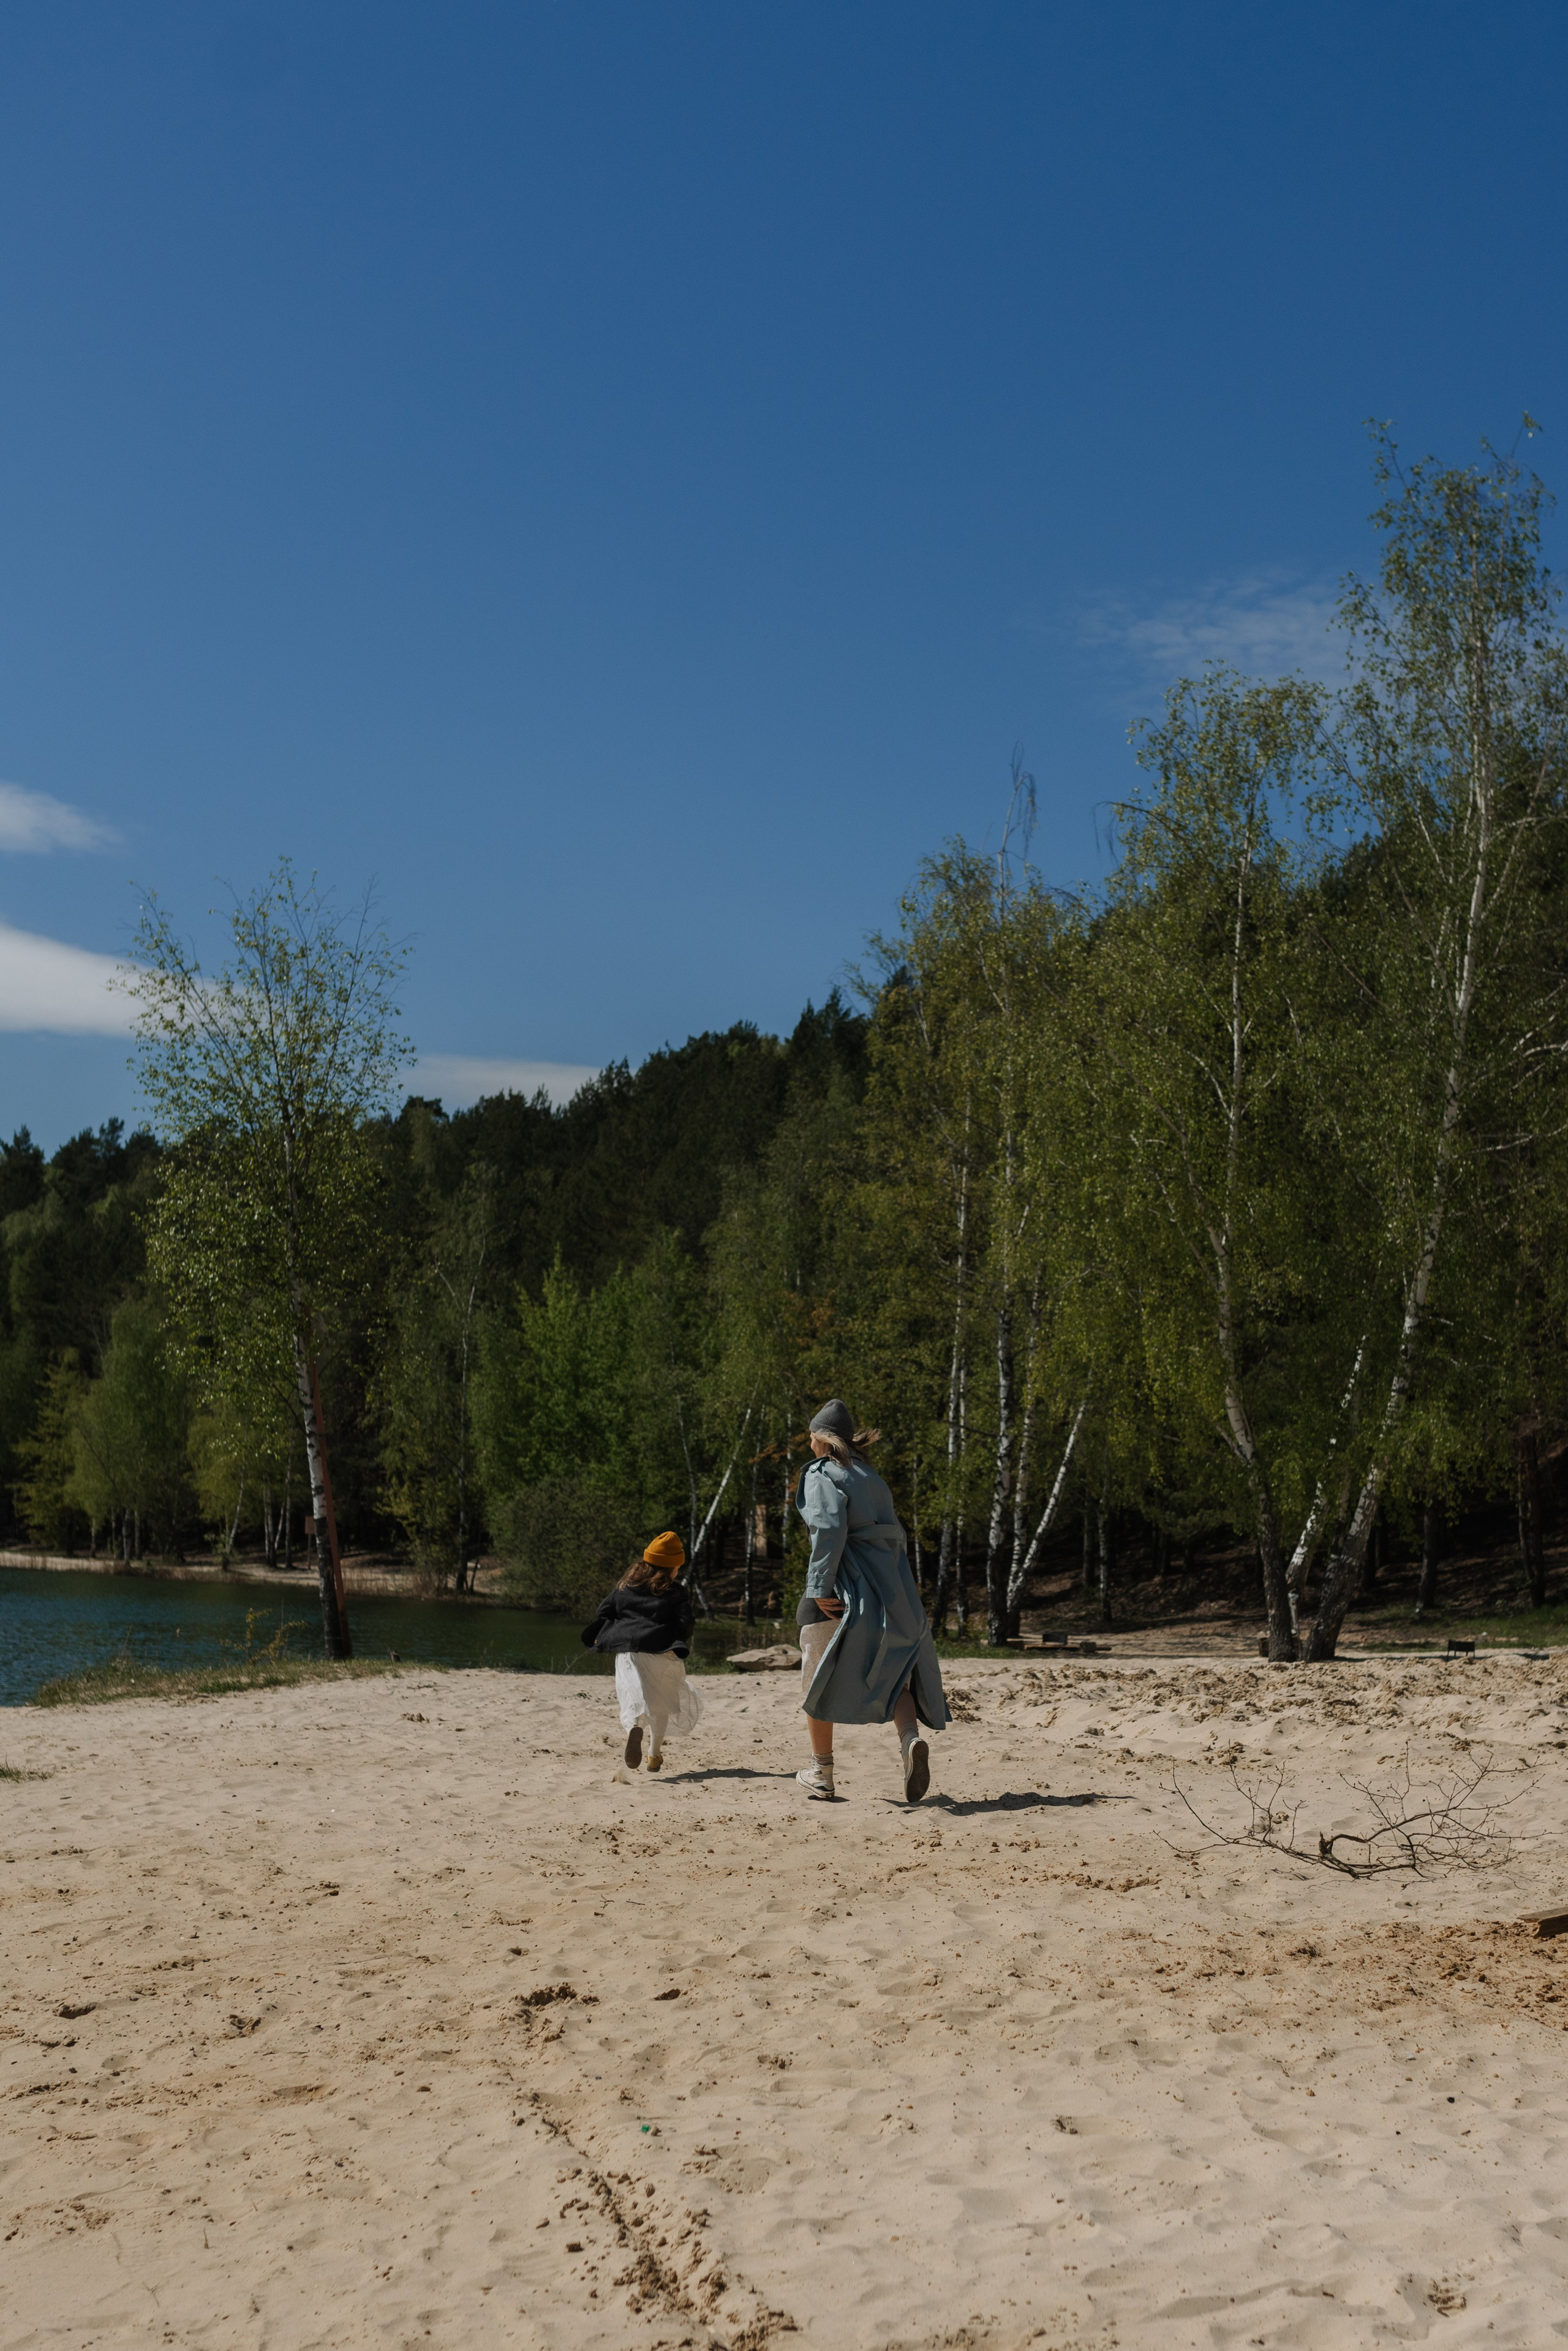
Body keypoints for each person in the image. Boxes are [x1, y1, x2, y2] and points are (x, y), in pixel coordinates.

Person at [794, 1400, 949, 1802]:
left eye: (811, 1439)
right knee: (894, 1676)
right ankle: (909, 1741)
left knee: (816, 1680)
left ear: (821, 1440)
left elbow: (829, 1529)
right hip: (893, 1596)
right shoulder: (872, 1477)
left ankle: (822, 1773)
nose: (809, 1446)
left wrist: (818, 1588)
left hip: (844, 1592)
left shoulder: (823, 1473)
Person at [581, 1531, 703, 1771]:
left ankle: (633, 1727)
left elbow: (603, 1611)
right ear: (672, 1567)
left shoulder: (626, 1587)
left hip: (629, 1652)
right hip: (663, 1651)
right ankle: (654, 1755)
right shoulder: (675, 1592)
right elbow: (687, 1623)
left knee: (632, 1697)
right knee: (662, 1703)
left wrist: (615, 1630)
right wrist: (679, 1638)